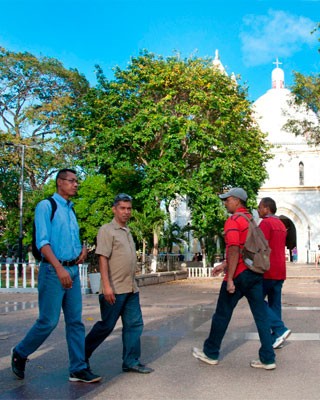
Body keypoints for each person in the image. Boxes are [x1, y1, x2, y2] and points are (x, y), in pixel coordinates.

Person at [11, 169, 101, 383]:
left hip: (72, 270)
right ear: (59, 182)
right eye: (72, 181)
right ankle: (21, 352)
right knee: (48, 321)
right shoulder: (46, 206)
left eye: (76, 181)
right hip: (53, 271)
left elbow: (73, 239)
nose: (76, 184)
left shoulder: (71, 210)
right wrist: (59, 269)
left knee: (75, 322)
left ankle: (78, 368)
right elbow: (43, 242)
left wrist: (82, 251)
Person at [192, 187, 276, 370]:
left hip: (238, 275)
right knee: (261, 316)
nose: (225, 203)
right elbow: (244, 249)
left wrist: (229, 278)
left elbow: (234, 249)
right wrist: (224, 264)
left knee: (222, 314)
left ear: (237, 201)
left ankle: (211, 353)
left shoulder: (233, 220)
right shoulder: (251, 219)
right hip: (255, 273)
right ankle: (268, 358)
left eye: (227, 199)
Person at [85, 193, 153, 374]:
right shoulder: (107, 230)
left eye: (129, 208)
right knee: (106, 326)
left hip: (130, 288)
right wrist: (106, 286)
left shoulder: (128, 232)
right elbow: (102, 258)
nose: (126, 212)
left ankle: (131, 361)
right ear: (114, 209)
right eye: (122, 208)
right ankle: (81, 356)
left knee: (134, 324)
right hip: (113, 289)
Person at [258, 197, 291, 349]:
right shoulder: (281, 224)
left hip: (267, 270)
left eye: (260, 207)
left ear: (266, 208)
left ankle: (279, 329)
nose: (258, 210)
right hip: (280, 270)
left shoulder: (266, 223)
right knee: (275, 304)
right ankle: (276, 338)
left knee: (257, 300)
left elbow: (259, 246)